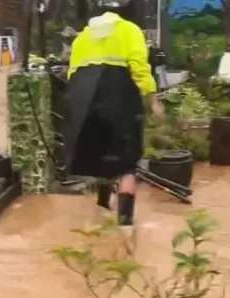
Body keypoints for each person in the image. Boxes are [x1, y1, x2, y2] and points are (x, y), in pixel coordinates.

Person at [65, 0, 164, 228]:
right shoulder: (129, 30)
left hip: (85, 104)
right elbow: (139, 67)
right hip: (120, 100)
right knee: (127, 162)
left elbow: (72, 75)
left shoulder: (83, 37)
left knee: (99, 156)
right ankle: (125, 225)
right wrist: (153, 100)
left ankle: (102, 211)